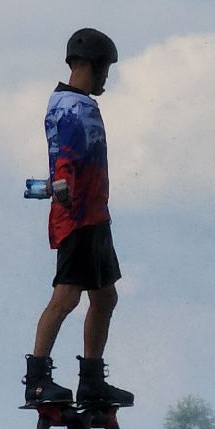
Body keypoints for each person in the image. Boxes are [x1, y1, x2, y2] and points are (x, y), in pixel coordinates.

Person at [23, 28, 135, 409]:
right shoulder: (68, 106)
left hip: (96, 216)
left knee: (105, 297)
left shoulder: (81, 102)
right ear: (85, 65)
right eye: (104, 70)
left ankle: (91, 380)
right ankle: (37, 380)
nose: (106, 77)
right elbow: (64, 155)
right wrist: (65, 187)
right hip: (77, 216)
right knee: (67, 295)